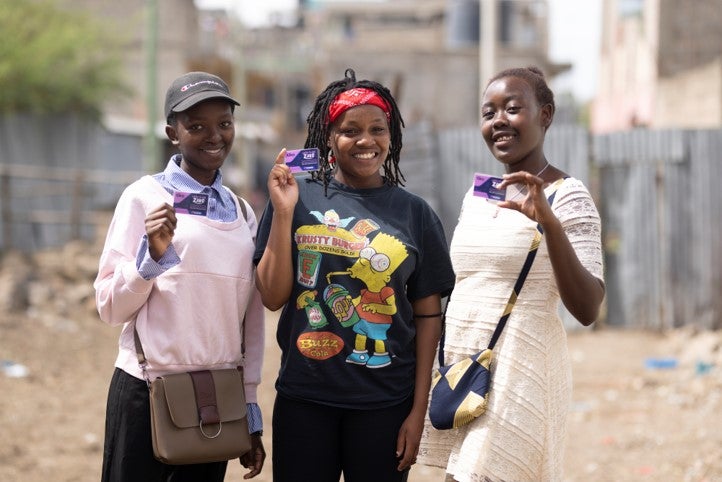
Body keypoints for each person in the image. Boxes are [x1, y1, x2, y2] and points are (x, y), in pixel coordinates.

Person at [253, 68, 455, 482]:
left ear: (391, 136)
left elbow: (428, 318)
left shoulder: (414, 213)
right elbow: (272, 297)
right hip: (305, 399)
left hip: (386, 404)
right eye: (350, 130)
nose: (366, 141)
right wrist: (285, 212)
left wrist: (418, 411)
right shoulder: (296, 196)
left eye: (377, 129)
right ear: (329, 136)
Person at [418, 66, 605, 481]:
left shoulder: (568, 195)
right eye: (488, 112)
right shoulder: (479, 195)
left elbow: (588, 306)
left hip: (521, 375)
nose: (498, 120)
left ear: (546, 115)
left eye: (513, 108)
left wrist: (550, 224)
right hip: (466, 371)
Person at [94, 71, 266, 482]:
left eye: (224, 124)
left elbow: (252, 320)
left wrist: (250, 411)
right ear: (173, 132)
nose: (214, 136)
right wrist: (149, 259)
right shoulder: (144, 198)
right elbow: (109, 307)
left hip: (217, 401)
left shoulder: (243, 214)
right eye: (197, 126)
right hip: (148, 391)